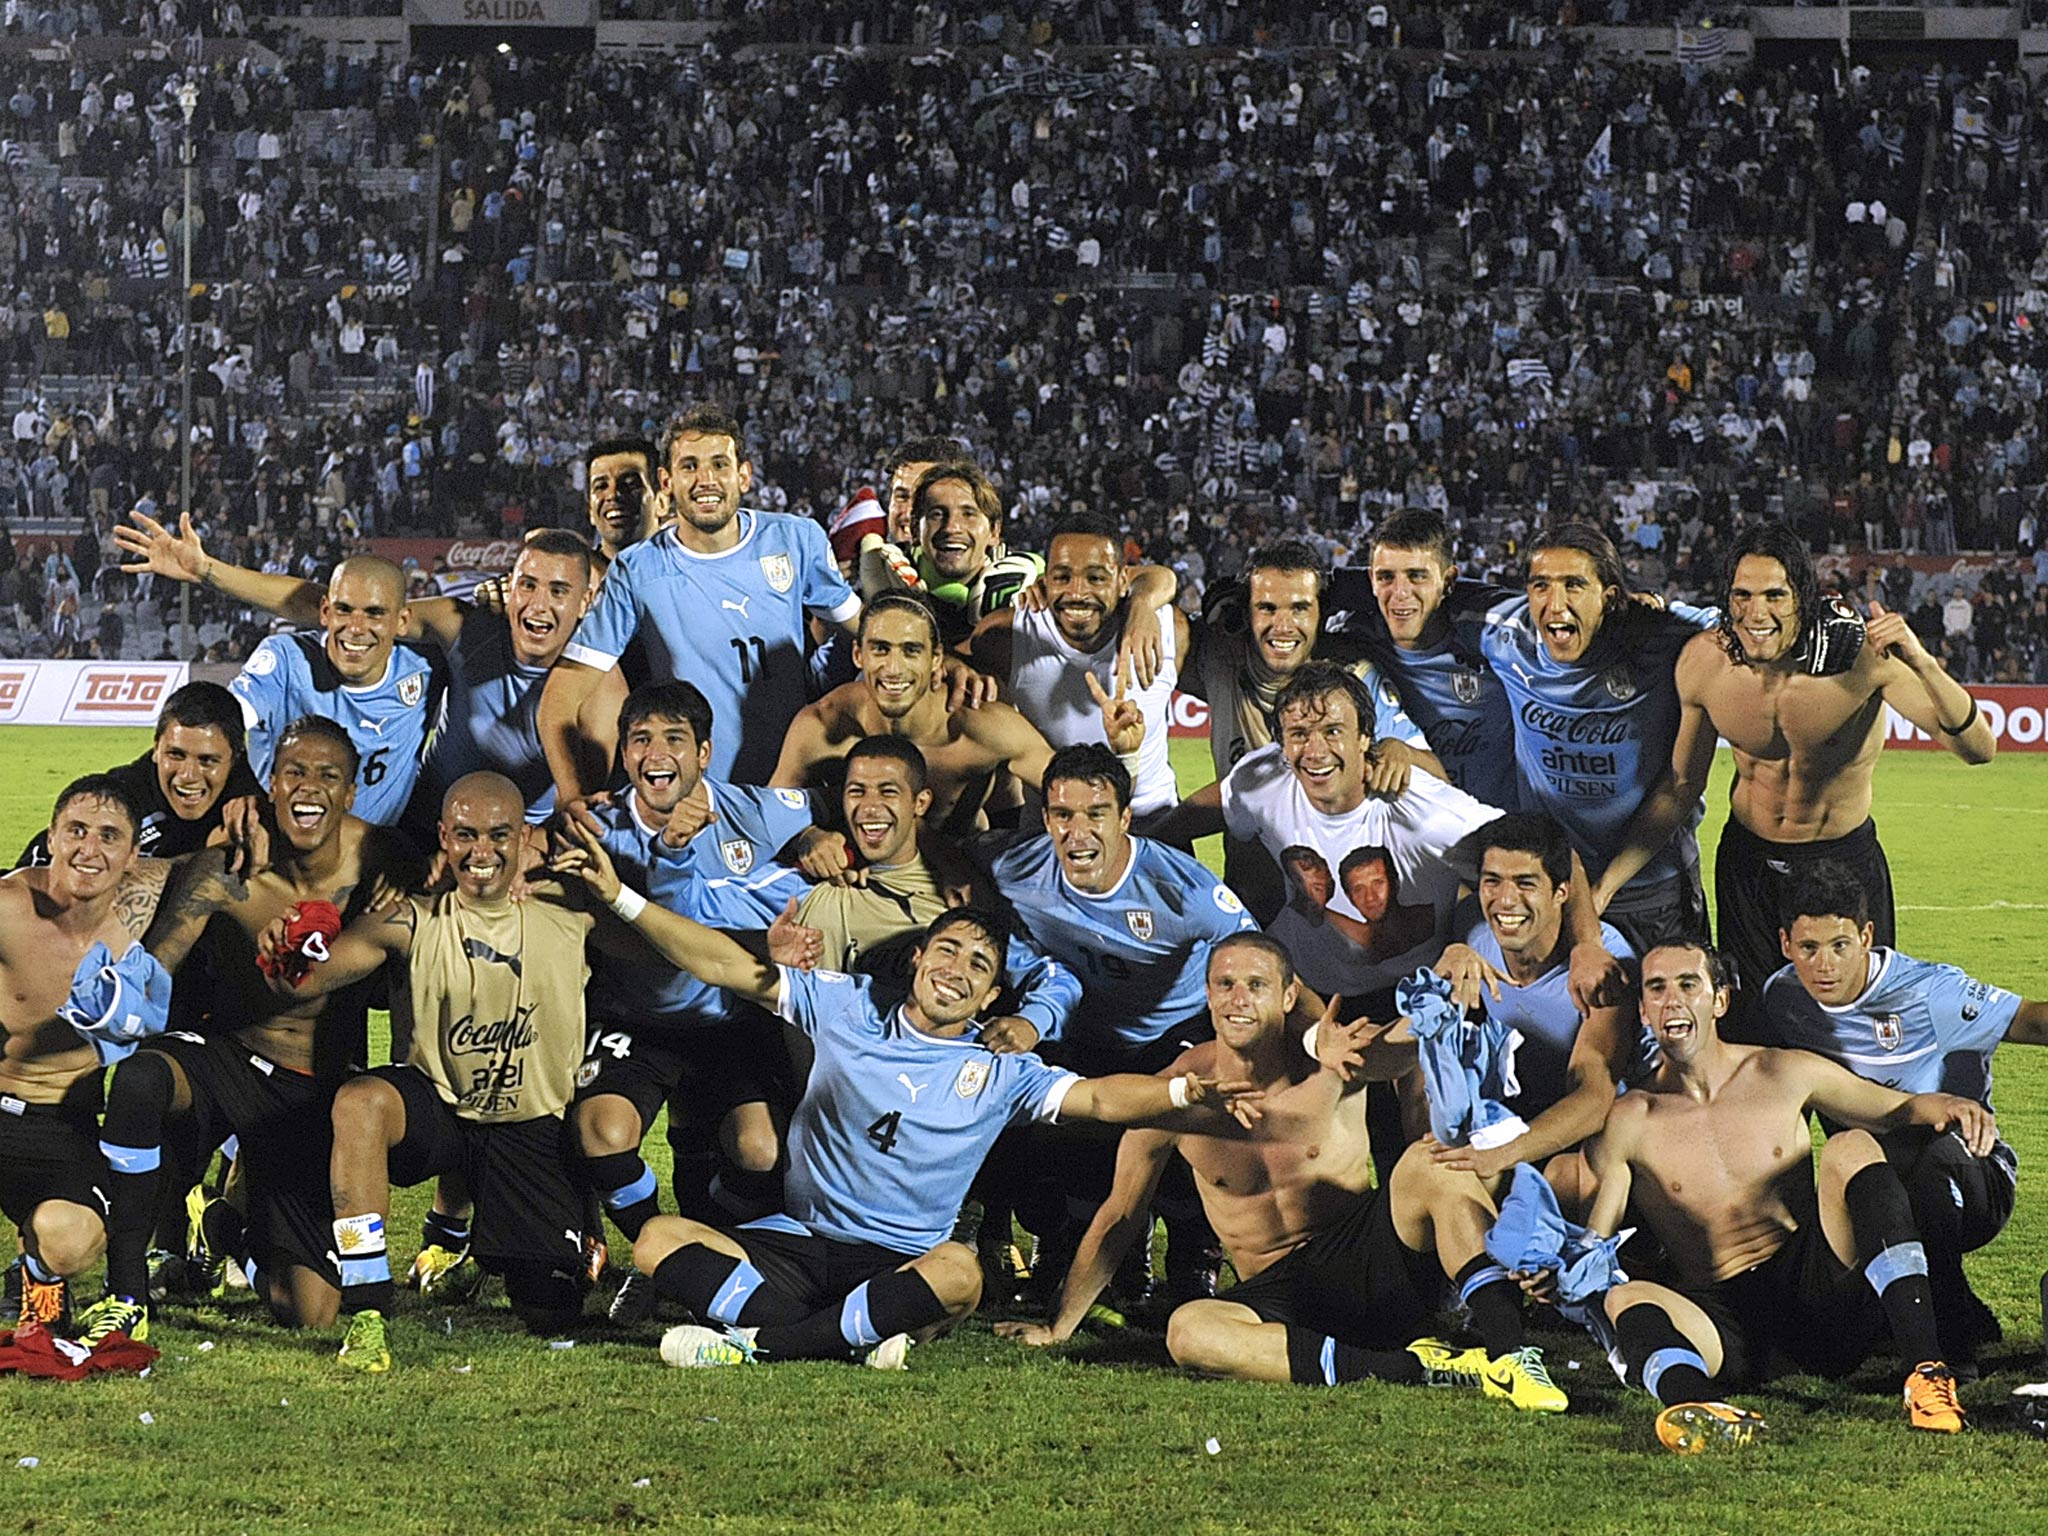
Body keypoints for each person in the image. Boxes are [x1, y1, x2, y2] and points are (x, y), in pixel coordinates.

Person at [547, 821, 1259, 1372]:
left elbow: (1103, 1102)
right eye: (947, 950)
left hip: (901, 1260)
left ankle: (762, 1343)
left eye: (979, 966)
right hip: (799, 1241)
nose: (957, 969)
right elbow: (727, 965)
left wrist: (1179, 1092)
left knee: (960, 1274)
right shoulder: (847, 1005)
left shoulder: (1000, 1064)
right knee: (657, 1239)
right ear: (918, 958)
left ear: (991, 994)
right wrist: (619, 896)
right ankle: (849, 1336)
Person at [1000, 933, 1567, 1412]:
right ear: (1207, 994)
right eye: (1224, 984)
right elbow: (1121, 1215)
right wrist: (1059, 1326)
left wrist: (1443, 973)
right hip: (1279, 1295)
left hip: (1373, 1258)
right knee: (1189, 1331)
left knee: (1430, 1160)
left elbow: (1403, 1043)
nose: (1238, 999)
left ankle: (1511, 1355)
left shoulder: (1333, 1059)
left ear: (1289, 994)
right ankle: (1421, 1368)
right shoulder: (1177, 1092)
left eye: (1256, 985)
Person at [1583, 939, 1992, 1450]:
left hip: (1818, 1296)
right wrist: (1556, 1269)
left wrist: (1952, 1106)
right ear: (1643, 1010)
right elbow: (1593, 1245)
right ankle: (1697, 1405)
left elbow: (1894, 1108)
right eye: (1657, 988)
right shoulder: (1631, 1118)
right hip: (1726, 1323)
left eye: (1689, 984)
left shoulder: (1782, 1071)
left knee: (1850, 1146)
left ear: (1719, 1001)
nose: (1672, 1000)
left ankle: (1926, 1374)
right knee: (1626, 1296)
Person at [88, 718, 411, 1340]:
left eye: (328, 776)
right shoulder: (228, 865)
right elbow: (157, 966)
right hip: (227, 1059)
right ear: (269, 782)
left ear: (350, 793)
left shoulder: (384, 863)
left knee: (309, 1309)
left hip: (312, 1090)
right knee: (142, 1078)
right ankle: (125, 1293)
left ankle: (223, 1227)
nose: (308, 788)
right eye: (294, 772)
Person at [264, 773, 597, 1371]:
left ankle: (481, 1241)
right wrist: (287, 948)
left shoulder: (572, 909)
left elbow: (658, 955)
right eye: (465, 835)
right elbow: (310, 976)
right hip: (439, 1113)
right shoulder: (413, 918)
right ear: (443, 838)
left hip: (527, 1125)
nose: (482, 852)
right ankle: (368, 1307)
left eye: (499, 836)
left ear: (526, 838)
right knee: (361, 1103)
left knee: (551, 1308)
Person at [1597, 523, 1997, 1012]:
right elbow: (1681, 788)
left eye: (1774, 595)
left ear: (1802, 598)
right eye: (1741, 596)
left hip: (1841, 864)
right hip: (1749, 867)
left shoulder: (1864, 660)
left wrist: (1923, 662)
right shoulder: (1705, 664)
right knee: (1753, 1029)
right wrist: (1605, 885)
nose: (1756, 613)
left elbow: (1979, 748)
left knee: (1857, 1029)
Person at [573, 680, 830, 1311]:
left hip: (726, 1021)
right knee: (601, 1132)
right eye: (641, 740)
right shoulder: (597, 828)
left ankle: (711, 1247)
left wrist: (817, 840)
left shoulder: (757, 809)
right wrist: (672, 851)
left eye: (674, 740)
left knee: (761, 1150)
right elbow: (648, 927)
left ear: (705, 753)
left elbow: (837, 806)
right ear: (625, 756)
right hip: (636, 1019)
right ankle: (653, 1254)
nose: (657, 754)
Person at [985, 744, 1262, 1303]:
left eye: (1096, 814)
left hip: (1172, 1032)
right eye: (1063, 814)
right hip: (1082, 1031)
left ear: (1125, 818)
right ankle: (1077, 1252)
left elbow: (1253, 957)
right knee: (1057, 1133)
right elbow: (945, 859)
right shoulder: (1015, 865)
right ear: (1046, 818)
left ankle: (1193, 1258)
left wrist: (1256, 1043)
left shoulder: (1181, 889)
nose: (1077, 831)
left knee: (1186, 1123)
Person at [117, 512, 605, 827]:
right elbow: (337, 606)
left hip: (455, 846)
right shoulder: (288, 659)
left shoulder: (595, 682)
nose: (357, 629)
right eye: (527, 586)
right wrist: (207, 570)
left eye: (557, 591)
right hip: (356, 836)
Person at [1759, 860, 2044, 1370]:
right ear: (1785, 943)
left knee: (1927, 1159)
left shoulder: (1931, 993)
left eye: (1840, 945)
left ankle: (1952, 1341)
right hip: (1873, 1180)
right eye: (1808, 948)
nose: (1825, 965)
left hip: (1973, 1176)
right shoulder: (1782, 999)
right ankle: (1906, 1323)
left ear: (1866, 936)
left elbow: (2035, 1021)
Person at [538, 403, 861, 797]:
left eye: (719, 465)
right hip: (695, 802)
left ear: (744, 474)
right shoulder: (637, 570)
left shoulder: (796, 540)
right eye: (689, 466)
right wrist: (571, 797)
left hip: (791, 794)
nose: (705, 480)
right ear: (666, 481)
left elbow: (868, 633)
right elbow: (562, 694)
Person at [1470, 523, 1714, 952]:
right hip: (1554, 891)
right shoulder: (1506, 636)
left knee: (1672, 1011)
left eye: (1574, 585)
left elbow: (1740, 626)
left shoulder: (1662, 636)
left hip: (1654, 890)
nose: (1554, 604)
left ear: (1611, 596)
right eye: (1540, 585)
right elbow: (1429, 599)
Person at [1178, 540, 1439, 919]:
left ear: (1321, 612)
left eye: (1299, 608)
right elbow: (1158, 618)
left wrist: (1402, 753)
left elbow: (1437, 776)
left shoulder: (1353, 676)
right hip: (1254, 911)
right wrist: (1149, 594)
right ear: (1245, 611)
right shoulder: (1220, 657)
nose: (1283, 626)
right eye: (1266, 608)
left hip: (1344, 916)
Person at [0, 776, 171, 1332]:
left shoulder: (146, 900)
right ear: (50, 836)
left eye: (107, 836)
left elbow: (211, 864)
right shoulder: (8, 907)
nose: (89, 850)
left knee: (72, 1240)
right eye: (75, 831)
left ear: (133, 854)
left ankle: (36, 1279)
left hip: (62, 1122)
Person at [774, 593, 1139, 834]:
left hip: (958, 874)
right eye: (880, 649)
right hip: (858, 880)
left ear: (937, 660)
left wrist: (1126, 752)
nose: (893, 668)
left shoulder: (984, 728)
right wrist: (810, 840)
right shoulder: (822, 724)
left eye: (911, 650)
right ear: (859, 656)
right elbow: (769, 817)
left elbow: (1083, 800)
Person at [1425, 814, 1647, 1192]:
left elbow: (1595, 1097)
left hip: (1603, 1137)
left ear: (1562, 892)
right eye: (1492, 881)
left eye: (1525, 883)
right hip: (1522, 1117)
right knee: (1434, 1165)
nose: (1505, 900)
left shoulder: (1604, 968)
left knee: (1565, 1176)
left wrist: (1503, 1153)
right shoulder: (1473, 934)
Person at [970, 513, 1186, 822]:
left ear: (1123, 580)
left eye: (1096, 578)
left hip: (1153, 828)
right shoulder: (1005, 637)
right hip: (1051, 836)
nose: (1077, 593)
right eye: (1062, 577)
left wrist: (1144, 601)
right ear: (1044, 580)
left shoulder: (1169, 631)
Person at [218, 551, 441, 828]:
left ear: (403, 621)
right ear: (325, 612)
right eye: (344, 610)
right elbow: (218, 728)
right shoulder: (286, 661)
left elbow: (467, 621)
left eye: (374, 613)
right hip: (278, 850)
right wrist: (242, 788)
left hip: (374, 857)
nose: (356, 628)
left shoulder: (425, 668)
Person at [1358, 510, 1520, 810]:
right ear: (1371, 580)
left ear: (1448, 581)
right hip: (1418, 844)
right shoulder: (1355, 646)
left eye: (1417, 576)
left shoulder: (1496, 646)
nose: (1400, 593)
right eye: (1386, 577)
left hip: (1502, 837)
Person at [11, 682, 260, 869]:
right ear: (155, 749)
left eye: (207, 761)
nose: (188, 775)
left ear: (235, 759)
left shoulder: (255, 806)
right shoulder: (122, 797)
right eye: (175, 755)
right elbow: (36, 866)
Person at [583, 436, 664, 575]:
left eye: (630, 484)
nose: (613, 494)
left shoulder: (693, 576)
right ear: (590, 510)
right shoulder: (575, 582)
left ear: (662, 501)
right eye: (601, 486)